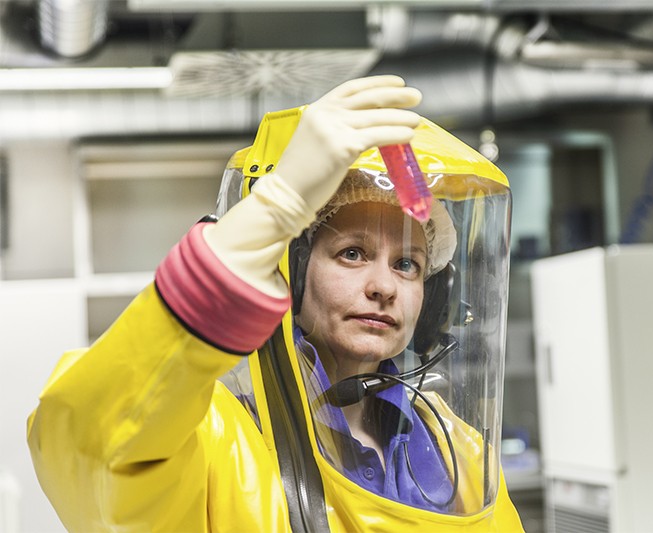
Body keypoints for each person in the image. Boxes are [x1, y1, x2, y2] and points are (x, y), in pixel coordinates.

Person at [27, 76, 523, 532]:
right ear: (294, 269)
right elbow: (92, 440)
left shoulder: (457, 450)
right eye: (353, 253)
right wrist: (274, 208)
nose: (384, 287)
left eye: (408, 265)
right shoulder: (211, 436)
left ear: (431, 294)